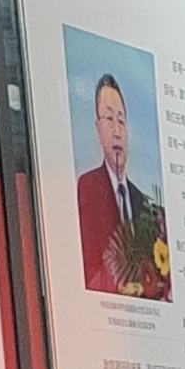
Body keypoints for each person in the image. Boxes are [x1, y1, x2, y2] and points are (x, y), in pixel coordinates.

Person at [74, 73, 154, 298]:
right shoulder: (87, 188)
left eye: (121, 121)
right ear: (98, 130)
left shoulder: (144, 203)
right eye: (109, 119)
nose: (117, 132)